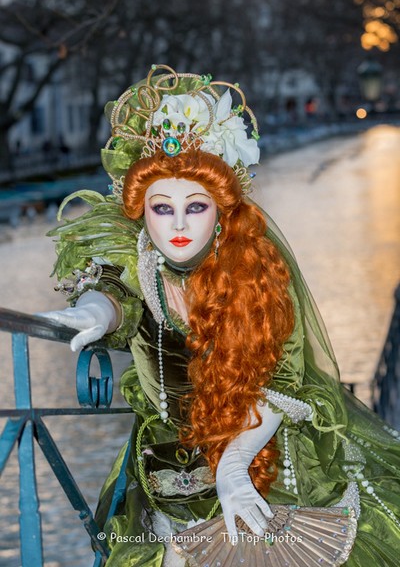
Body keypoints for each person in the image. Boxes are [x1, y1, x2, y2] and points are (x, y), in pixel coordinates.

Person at [44, 66, 400, 566]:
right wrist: (92, 313)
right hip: (166, 473)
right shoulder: (138, 262)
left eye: (197, 206)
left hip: (259, 453)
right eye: (162, 209)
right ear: (142, 212)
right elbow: (115, 294)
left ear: (221, 210)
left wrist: (234, 466)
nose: (181, 225)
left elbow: (284, 378)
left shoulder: (255, 272)